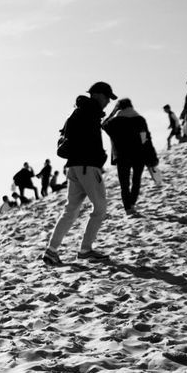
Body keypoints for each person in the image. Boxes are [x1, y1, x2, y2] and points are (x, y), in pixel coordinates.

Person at [42, 81, 115, 266]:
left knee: (70, 210)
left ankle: (52, 251)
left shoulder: (79, 110)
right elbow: (88, 140)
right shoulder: (89, 111)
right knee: (100, 208)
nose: (108, 102)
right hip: (87, 166)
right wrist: (100, 157)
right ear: (98, 95)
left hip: (74, 167)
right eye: (107, 97)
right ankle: (85, 250)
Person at [102, 97, 151, 217]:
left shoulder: (114, 122)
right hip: (138, 154)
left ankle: (128, 208)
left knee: (124, 184)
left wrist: (113, 113)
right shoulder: (140, 119)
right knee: (136, 180)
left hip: (122, 155)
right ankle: (132, 204)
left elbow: (103, 125)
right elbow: (145, 137)